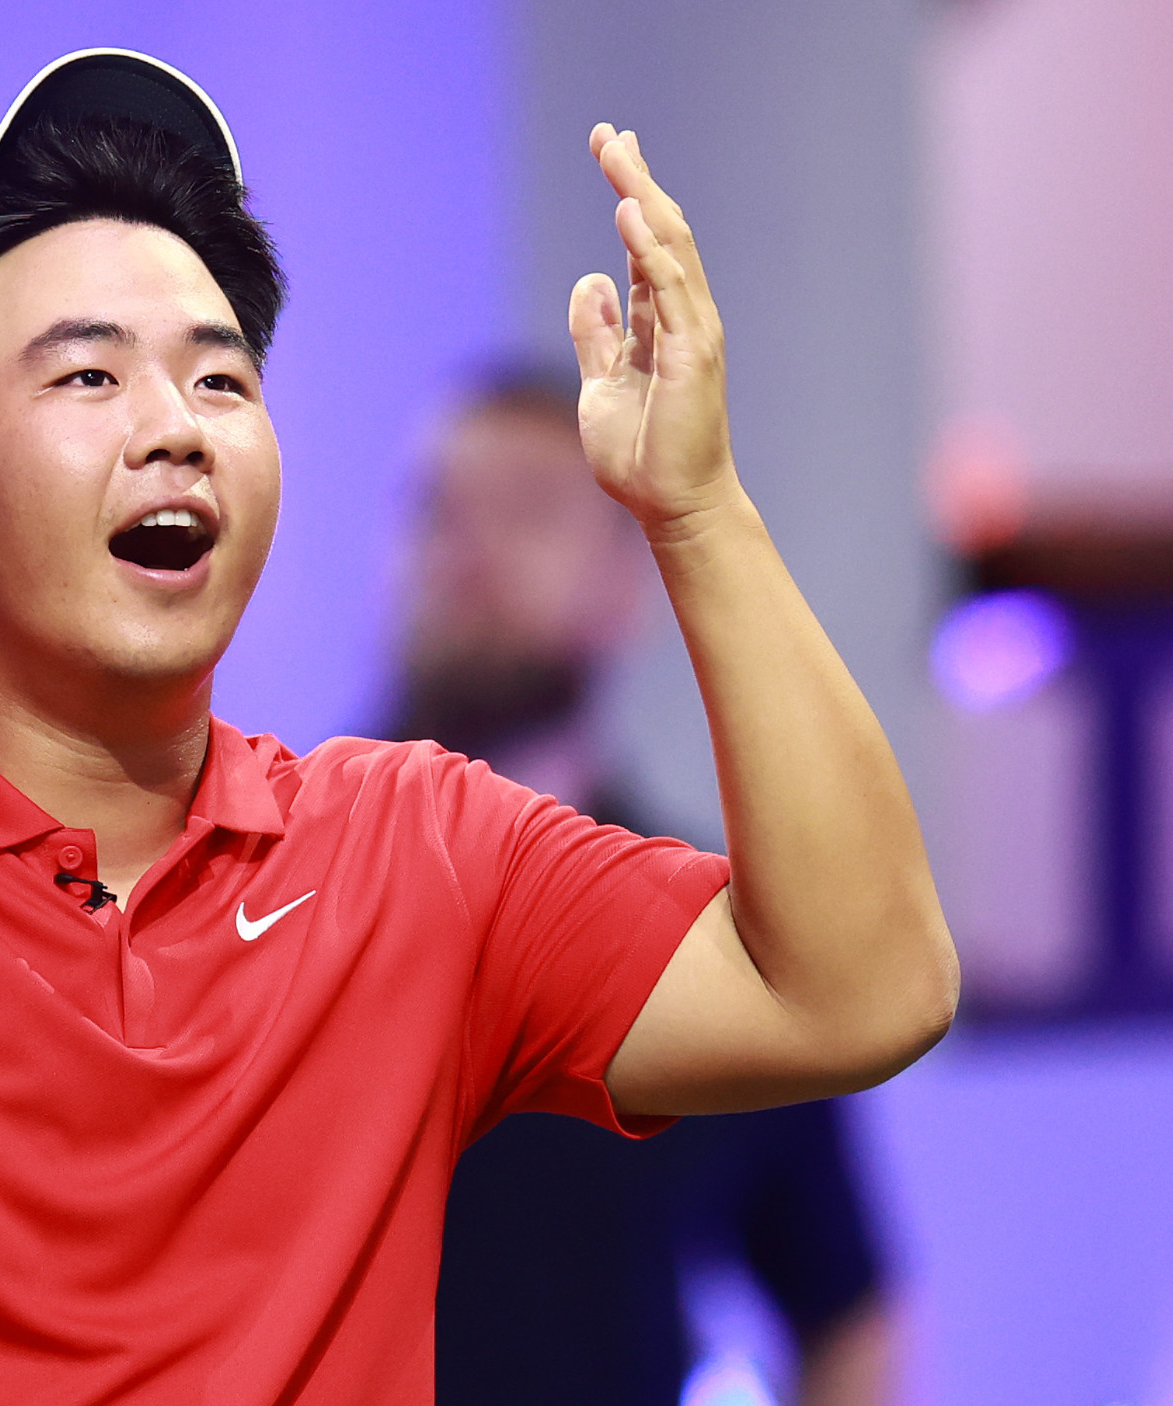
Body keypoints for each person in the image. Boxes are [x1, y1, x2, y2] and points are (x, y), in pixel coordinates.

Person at [0, 44, 958, 1403]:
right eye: (89, 372)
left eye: (220, 376)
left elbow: (861, 987)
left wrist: (698, 512)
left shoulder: (413, 854)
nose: (175, 423)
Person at [404, 368, 895, 1405]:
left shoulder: (712, 937)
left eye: (528, 510)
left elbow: (847, 1308)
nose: (469, 548)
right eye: (438, 510)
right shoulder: (277, 881)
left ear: (622, 586)